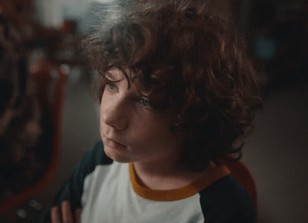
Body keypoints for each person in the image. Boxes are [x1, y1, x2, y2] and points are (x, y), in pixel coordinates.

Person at [41, 0, 263, 222]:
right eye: (112, 85)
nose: (109, 116)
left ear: (194, 115)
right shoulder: (99, 160)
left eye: (145, 101)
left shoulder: (225, 210)